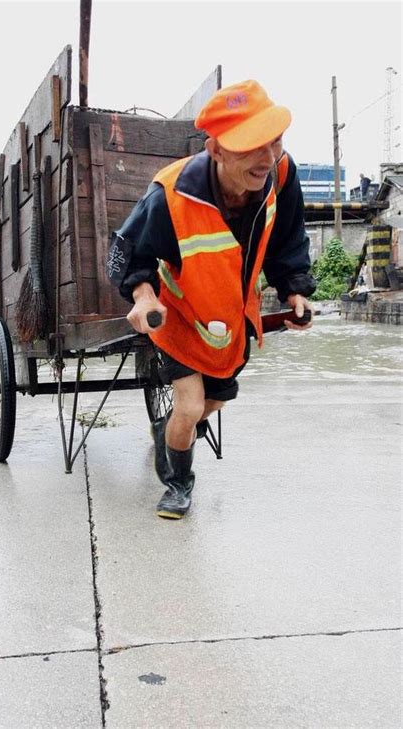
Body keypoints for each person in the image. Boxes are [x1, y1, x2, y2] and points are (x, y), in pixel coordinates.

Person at [107, 80, 316, 520]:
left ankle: (170, 432)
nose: (267, 157)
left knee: (210, 404)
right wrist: (143, 298)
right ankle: (178, 486)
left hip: (232, 319)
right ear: (215, 150)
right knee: (189, 404)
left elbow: (288, 237)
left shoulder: (281, 174)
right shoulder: (171, 194)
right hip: (180, 316)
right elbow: (130, 253)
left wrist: (294, 289)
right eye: (251, 147)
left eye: (274, 141)